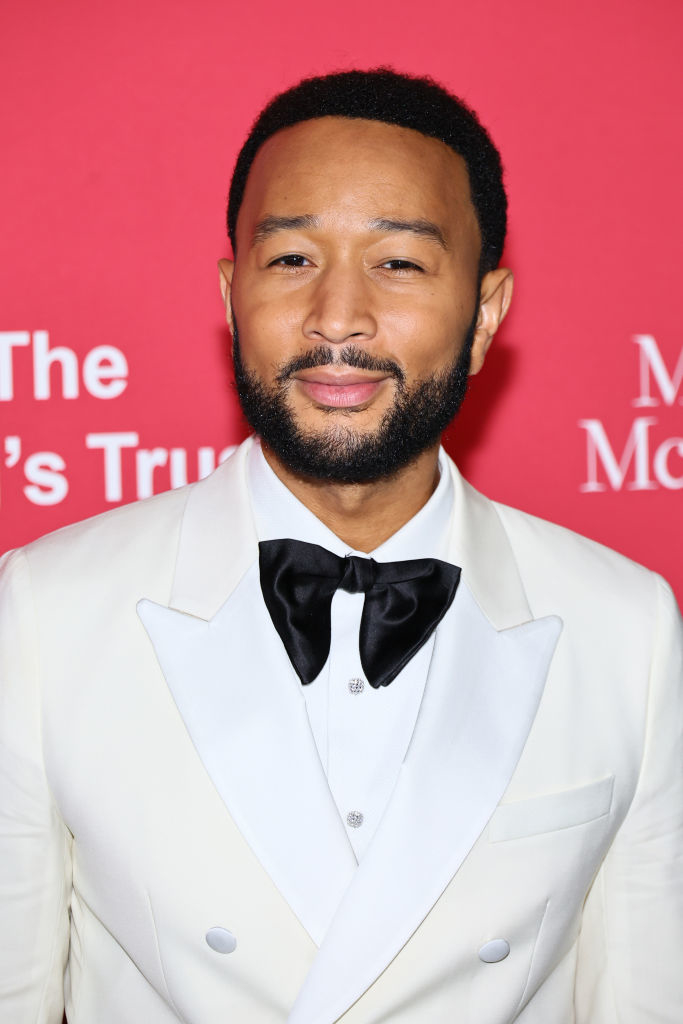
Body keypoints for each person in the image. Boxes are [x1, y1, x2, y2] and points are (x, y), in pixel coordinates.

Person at [0, 68, 681, 1024]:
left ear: (484, 314)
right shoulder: (45, 610)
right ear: (231, 296)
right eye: (291, 259)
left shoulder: (625, 627)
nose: (336, 317)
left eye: (398, 263)